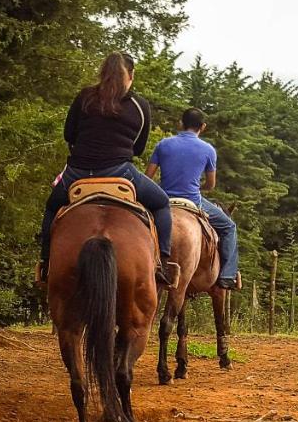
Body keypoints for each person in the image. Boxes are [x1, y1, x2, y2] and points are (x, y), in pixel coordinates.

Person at [39, 52, 173, 284]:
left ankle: (45, 264)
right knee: (161, 203)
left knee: (52, 207)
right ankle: (162, 263)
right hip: (120, 172)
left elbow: (68, 134)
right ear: (130, 75)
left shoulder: (85, 97)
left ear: (103, 73)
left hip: (77, 174)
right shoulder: (139, 105)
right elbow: (138, 148)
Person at [146, 108, 238, 289]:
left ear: (181, 123)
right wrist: (199, 187)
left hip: (163, 199)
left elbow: (148, 176)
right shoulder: (208, 150)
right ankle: (228, 275)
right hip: (193, 200)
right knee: (229, 227)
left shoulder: (163, 144)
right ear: (202, 127)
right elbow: (211, 184)